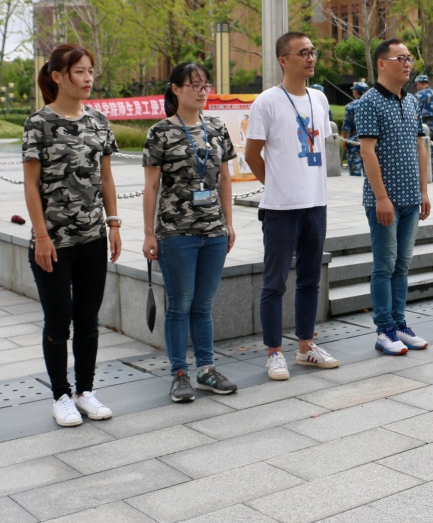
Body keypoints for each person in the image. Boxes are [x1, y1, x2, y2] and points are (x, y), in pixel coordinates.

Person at [22, 44, 121, 427]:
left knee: (88, 319)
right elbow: (31, 186)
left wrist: (113, 224)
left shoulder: (99, 121)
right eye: (80, 71)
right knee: (58, 320)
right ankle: (60, 395)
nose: (88, 78)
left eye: (90, 71)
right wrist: (42, 237)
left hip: (93, 237)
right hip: (54, 241)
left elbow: (106, 178)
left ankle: (85, 392)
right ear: (58, 76)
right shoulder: (38, 123)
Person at [142, 62, 239, 402]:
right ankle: (179, 374)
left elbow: (224, 178)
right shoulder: (160, 132)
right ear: (175, 89)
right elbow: (151, 187)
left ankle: (206, 370)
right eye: (193, 84)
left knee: (203, 305)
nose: (201, 91)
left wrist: (228, 223)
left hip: (213, 230)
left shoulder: (217, 127)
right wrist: (149, 233)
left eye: (205, 84)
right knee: (180, 305)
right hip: (175, 232)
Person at [245, 33, 340, 380]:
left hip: (316, 202)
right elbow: (252, 154)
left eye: (313, 51)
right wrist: (277, 184)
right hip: (281, 208)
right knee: (275, 282)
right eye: (303, 53)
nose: (310, 58)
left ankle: (305, 346)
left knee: (310, 280)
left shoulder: (319, 99)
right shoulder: (267, 102)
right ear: (283, 60)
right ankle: (273, 353)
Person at [354, 38, 432, 354]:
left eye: (409, 58)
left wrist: (423, 191)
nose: (407, 63)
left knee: (402, 265)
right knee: (384, 266)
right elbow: (367, 152)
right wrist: (381, 198)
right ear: (382, 63)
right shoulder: (369, 102)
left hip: (411, 198)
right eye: (401, 58)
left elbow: (420, 146)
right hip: (384, 200)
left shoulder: (411, 101)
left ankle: (400, 324)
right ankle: (384, 329)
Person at [414, 74, 433, 182]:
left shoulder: (417, 96)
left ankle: (423, 175)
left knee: (421, 149)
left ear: (419, 83)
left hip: (423, 124)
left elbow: (414, 112)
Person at [341, 82, 368, 177]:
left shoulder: (350, 106)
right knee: (369, 171)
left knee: (355, 171)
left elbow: (346, 126)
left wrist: (344, 140)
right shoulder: (372, 105)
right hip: (369, 142)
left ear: (356, 91)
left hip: (354, 142)